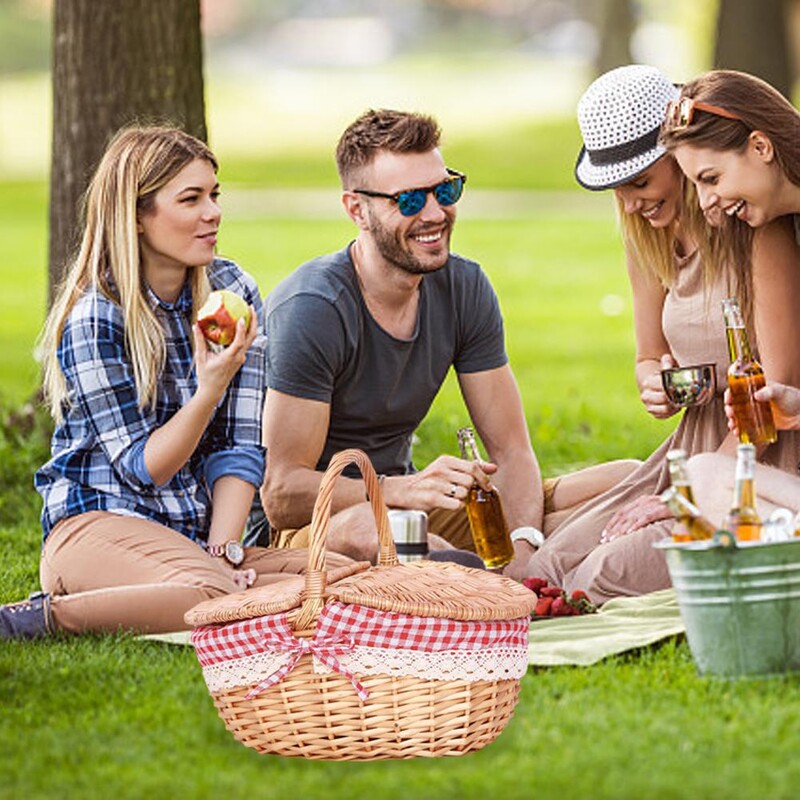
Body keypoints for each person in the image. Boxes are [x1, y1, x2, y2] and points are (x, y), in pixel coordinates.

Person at [0, 126, 351, 640]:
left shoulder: (234, 290)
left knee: (340, 575)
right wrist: (209, 387)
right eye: (191, 199)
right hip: (98, 528)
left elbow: (238, 448)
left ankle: (220, 586)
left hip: (189, 541)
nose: (213, 212)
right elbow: (145, 469)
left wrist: (224, 552)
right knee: (210, 597)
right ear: (138, 217)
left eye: (214, 195)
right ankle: (37, 618)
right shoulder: (95, 319)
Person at [516, 65, 800, 602]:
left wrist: (691, 491)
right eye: (617, 189)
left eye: (640, 182)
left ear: (678, 156)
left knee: (601, 575)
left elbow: (775, 393)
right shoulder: (645, 238)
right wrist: (657, 382)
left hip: (756, 452)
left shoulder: (759, 229)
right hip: (689, 446)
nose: (630, 202)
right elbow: (649, 355)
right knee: (551, 563)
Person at [248, 107, 559, 568]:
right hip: (307, 529)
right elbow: (281, 494)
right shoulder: (313, 308)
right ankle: (468, 584)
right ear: (357, 209)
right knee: (381, 532)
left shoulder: (463, 287)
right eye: (410, 200)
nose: (435, 213)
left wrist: (523, 546)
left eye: (445, 190)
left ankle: (500, 581)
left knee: (614, 483)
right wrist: (395, 489)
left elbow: (512, 452)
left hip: (406, 504)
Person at [658, 69, 800, 525]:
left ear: (761, 147)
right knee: (704, 477)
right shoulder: (780, 230)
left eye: (711, 178)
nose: (705, 203)